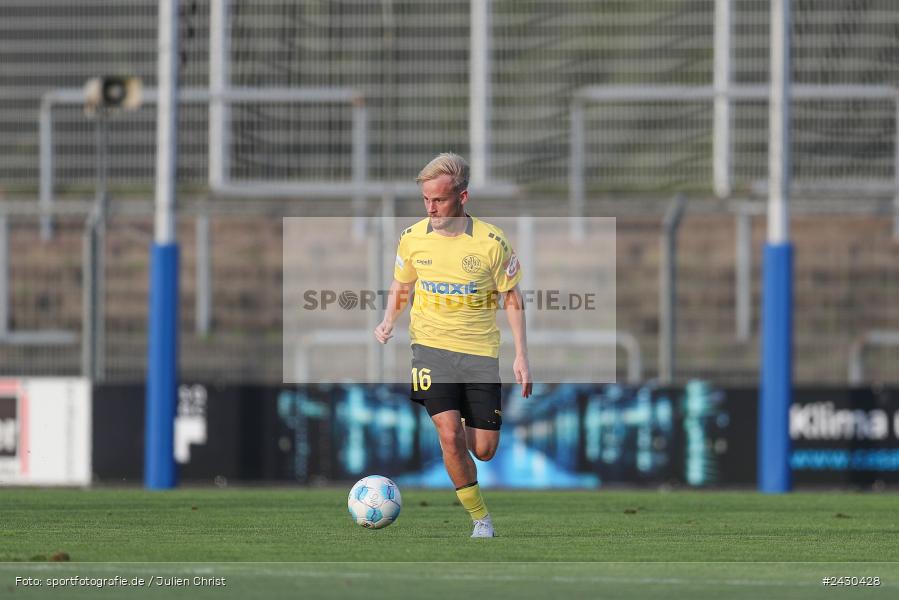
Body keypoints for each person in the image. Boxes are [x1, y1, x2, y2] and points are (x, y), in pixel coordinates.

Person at [374, 152, 532, 538]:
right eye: (426, 200)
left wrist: (522, 356)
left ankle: (468, 423)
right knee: (449, 436)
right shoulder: (412, 239)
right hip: (429, 349)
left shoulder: (492, 243)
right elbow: (403, 284)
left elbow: (511, 297)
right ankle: (481, 520)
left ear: (462, 198)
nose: (431, 208)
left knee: (484, 450)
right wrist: (388, 319)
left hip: (479, 353)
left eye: (439, 200)